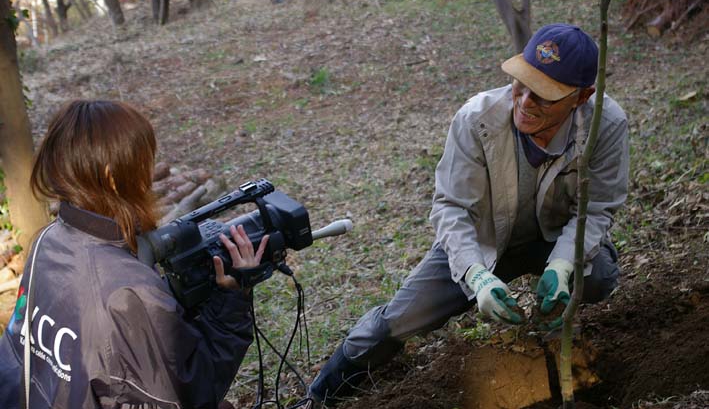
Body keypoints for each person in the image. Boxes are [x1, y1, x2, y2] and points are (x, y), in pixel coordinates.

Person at [308, 23, 629, 406]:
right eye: (521, 84)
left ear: (581, 97)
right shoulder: (477, 119)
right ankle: (320, 394)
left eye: (544, 96)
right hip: (481, 240)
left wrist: (561, 266)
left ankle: (559, 285)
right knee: (394, 323)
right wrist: (476, 276)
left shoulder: (604, 127)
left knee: (599, 276)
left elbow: (595, 209)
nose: (525, 102)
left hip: (552, 239)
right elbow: (450, 207)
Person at [0, 100, 268, 408]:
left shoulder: (48, 240)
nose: (149, 174)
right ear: (113, 176)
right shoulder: (128, 291)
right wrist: (232, 298)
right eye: (143, 161)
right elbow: (192, 391)